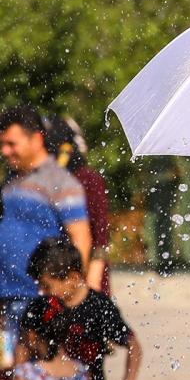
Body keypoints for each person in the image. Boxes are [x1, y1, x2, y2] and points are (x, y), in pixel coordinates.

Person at [19, 237, 142, 380]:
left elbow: (134, 346)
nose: (41, 292)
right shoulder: (40, 308)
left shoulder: (98, 308)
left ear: (74, 277)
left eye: (46, 285)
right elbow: (23, 347)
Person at [0, 106, 91, 369]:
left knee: (36, 378)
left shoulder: (61, 182)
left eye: (11, 144)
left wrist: (70, 296)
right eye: (2, 144)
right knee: (13, 378)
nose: (5, 151)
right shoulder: (12, 182)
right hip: (8, 295)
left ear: (36, 139)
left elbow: (81, 239)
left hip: (39, 299)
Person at [44, 116, 112, 295]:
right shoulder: (43, 181)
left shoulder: (88, 179)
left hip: (86, 278)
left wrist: (91, 286)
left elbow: (100, 237)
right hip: (55, 281)